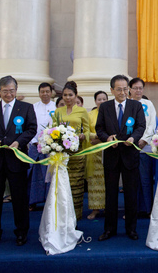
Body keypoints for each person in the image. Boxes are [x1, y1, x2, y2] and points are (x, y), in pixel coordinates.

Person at [0, 76, 38, 247]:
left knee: (19, 198)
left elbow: (31, 128)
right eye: (5, 91)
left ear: (16, 90)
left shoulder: (26, 108)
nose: (9, 94)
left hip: (16, 159)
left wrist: (19, 142)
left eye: (12, 91)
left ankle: (21, 232)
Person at [96, 75, 146, 241]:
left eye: (126, 89)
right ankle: (109, 229)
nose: (123, 92)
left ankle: (131, 229)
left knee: (131, 194)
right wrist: (107, 138)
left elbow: (141, 126)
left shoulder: (136, 106)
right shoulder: (105, 108)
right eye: (119, 89)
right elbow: (99, 128)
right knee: (111, 195)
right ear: (112, 90)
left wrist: (134, 138)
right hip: (111, 156)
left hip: (130, 155)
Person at [55, 81, 90, 220]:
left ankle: (76, 216)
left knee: (76, 186)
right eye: (65, 95)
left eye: (70, 95)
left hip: (77, 153)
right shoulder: (58, 111)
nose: (68, 98)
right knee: (62, 185)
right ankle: (63, 216)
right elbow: (53, 130)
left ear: (76, 96)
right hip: (62, 154)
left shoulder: (82, 111)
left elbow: (87, 131)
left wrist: (83, 136)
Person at [129, 77, 157, 217]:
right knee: (132, 180)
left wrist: (145, 140)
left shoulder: (148, 104)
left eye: (140, 88)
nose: (138, 90)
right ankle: (133, 210)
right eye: (135, 88)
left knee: (145, 179)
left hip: (145, 148)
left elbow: (152, 124)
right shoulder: (126, 104)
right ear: (130, 89)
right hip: (129, 146)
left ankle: (147, 209)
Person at [29, 82, 55, 211]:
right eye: (42, 91)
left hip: (52, 146)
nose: (45, 94)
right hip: (35, 145)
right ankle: (33, 201)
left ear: (51, 93)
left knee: (49, 173)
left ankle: (49, 201)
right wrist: (35, 141)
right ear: (39, 93)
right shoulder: (33, 107)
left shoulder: (56, 107)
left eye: (47, 91)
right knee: (34, 174)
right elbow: (30, 126)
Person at [86, 90, 108, 220]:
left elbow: (113, 131)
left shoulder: (111, 114)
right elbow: (86, 132)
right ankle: (95, 209)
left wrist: (100, 139)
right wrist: (98, 137)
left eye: (104, 99)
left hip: (108, 151)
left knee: (108, 181)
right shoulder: (90, 115)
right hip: (94, 153)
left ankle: (108, 207)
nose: (102, 102)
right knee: (94, 181)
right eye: (99, 99)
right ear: (95, 101)